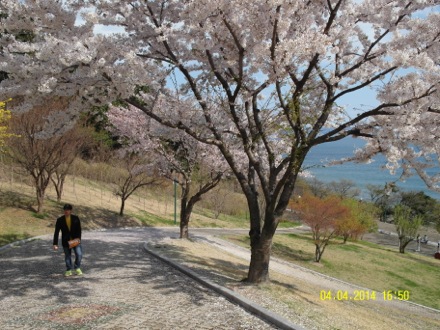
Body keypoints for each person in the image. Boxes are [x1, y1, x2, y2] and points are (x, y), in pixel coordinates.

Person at [53, 203, 83, 276]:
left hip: (75, 240)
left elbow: (79, 230)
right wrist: (55, 244)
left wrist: (78, 239)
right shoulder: (60, 220)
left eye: (68, 210)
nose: (66, 211)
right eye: (65, 210)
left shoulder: (76, 218)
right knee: (67, 256)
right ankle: (69, 269)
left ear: (71, 211)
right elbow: (56, 232)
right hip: (65, 241)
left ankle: (77, 267)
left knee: (79, 254)